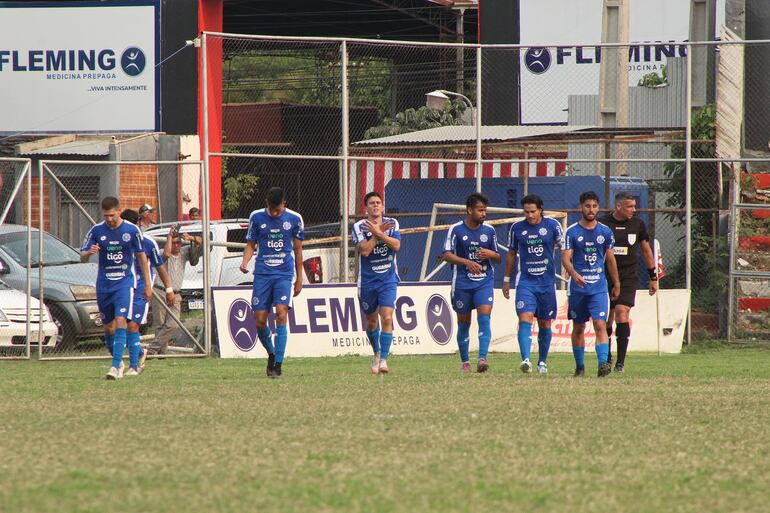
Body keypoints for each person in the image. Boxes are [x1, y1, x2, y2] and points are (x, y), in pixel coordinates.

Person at [80, 196, 152, 379]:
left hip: (124, 283)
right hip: (104, 284)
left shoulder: (131, 230)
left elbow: (142, 257)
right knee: (108, 328)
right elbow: (82, 256)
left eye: (112, 215)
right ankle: (120, 360)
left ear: (119, 211)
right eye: (106, 216)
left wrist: (148, 284)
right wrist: (89, 253)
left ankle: (115, 367)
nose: (109, 219)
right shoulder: (97, 231)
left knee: (122, 320)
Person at [240, 187, 304, 378]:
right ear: (267, 204)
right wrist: (245, 261)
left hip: (284, 274)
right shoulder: (256, 217)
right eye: (272, 209)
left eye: (278, 210)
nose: (275, 213)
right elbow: (251, 244)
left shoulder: (294, 219)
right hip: (263, 273)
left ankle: (278, 364)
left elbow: (298, 250)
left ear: (284, 204)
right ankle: (271, 353)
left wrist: (299, 278)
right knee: (260, 320)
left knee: (282, 314)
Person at [561, 191, 620, 378]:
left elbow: (610, 260)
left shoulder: (605, 232)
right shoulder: (571, 232)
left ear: (599, 207)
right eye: (587, 206)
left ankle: (603, 364)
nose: (591, 209)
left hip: (599, 287)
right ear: (581, 207)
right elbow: (565, 258)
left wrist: (616, 283)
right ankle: (580, 367)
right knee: (578, 327)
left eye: (594, 206)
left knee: (600, 324)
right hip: (578, 288)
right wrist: (574, 274)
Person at [502, 194, 564, 374]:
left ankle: (542, 363)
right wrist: (506, 280)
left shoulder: (553, 226)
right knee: (525, 318)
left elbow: (565, 249)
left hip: (546, 283)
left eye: (533, 212)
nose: (529, 215)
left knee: (545, 323)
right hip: (525, 283)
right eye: (526, 212)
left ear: (541, 210)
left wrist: (569, 267)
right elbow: (512, 254)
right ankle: (526, 360)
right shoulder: (517, 228)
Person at [599, 191, 658, 373]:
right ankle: (606, 358)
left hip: (628, 276)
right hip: (605, 276)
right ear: (619, 206)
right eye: (630, 206)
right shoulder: (603, 224)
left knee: (622, 313)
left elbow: (646, 251)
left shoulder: (638, 224)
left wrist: (653, 277)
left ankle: (620, 363)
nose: (634, 209)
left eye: (634, 206)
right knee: (606, 320)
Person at [442, 193, 501, 373]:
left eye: (485, 210)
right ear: (469, 210)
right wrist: (467, 262)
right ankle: (465, 362)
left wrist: (490, 254)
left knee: (484, 318)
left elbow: (498, 257)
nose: (484, 214)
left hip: (484, 281)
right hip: (462, 282)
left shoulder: (489, 231)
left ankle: (482, 358)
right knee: (464, 323)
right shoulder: (456, 229)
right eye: (480, 210)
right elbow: (446, 254)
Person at [119, 209, 175, 371]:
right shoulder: (119, 243)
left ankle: (134, 366)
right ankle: (139, 352)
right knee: (121, 324)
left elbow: (160, 267)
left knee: (133, 326)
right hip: (125, 287)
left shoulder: (148, 243)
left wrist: (169, 289)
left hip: (143, 288)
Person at [351, 191, 401, 375]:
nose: (375, 205)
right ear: (366, 208)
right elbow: (365, 251)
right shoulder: (358, 226)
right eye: (372, 203)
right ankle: (377, 353)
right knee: (371, 322)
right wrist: (375, 236)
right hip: (367, 282)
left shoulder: (392, 223)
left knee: (387, 317)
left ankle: (384, 360)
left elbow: (396, 245)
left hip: (388, 279)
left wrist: (379, 232)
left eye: (378, 202)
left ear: (383, 206)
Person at [146, 224, 202, 355]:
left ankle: (151, 350)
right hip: (160, 290)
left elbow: (201, 242)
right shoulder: (162, 252)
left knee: (173, 324)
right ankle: (162, 353)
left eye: (178, 243)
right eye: (174, 243)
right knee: (160, 325)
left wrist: (191, 238)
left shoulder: (184, 252)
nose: (176, 246)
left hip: (176, 293)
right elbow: (165, 254)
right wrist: (170, 236)